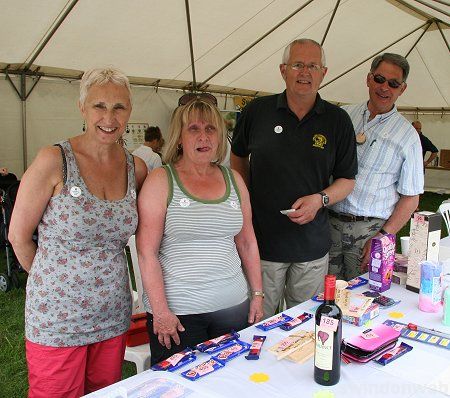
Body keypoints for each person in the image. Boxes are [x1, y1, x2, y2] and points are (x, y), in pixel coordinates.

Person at [8, 67, 147, 398]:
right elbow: (18, 236)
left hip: (113, 314)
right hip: (57, 318)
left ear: (129, 111)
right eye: (99, 106)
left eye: (119, 107)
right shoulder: (54, 160)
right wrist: (55, 284)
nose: (109, 117)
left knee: (105, 393)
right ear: (82, 107)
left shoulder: (135, 168)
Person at [231, 38, 357, 318]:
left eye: (313, 66)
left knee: (303, 325)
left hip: (311, 247)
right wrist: (245, 199)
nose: (305, 72)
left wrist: (320, 199)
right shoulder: (256, 112)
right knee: (255, 323)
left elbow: (347, 179)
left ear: (324, 73)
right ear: (283, 70)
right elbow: (237, 157)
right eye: (298, 64)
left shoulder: (338, 120)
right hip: (261, 244)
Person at [136, 98, 263, 365]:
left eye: (210, 129)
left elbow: (247, 242)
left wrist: (258, 295)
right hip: (179, 317)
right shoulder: (161, 180)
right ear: (179, 137)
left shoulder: (234, 180)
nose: (203, 137)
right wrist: (160, 311)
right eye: (193, 129)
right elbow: (146, 252)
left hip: (233, 308)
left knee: (230, 382)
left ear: (219, 137)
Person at [328, 53, 424, 281]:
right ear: (369, 78)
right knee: (321, 297)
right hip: (328, 225)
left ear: (402, 89)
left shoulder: (408, 136)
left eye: (393, 84)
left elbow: (412, 197)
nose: (385, 88)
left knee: (364, 300)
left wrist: (383, 236)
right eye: (380, 79)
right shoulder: (343, 116)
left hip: (370, 233)